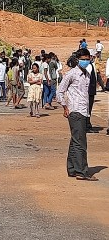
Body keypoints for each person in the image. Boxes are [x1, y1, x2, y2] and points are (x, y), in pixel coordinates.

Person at [57, 49, 97, 181]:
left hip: (83, 110)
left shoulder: (86, 74)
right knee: (80, 142)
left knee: (75, 141)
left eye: (88, 59)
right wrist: (64, 107)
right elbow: (60, 91)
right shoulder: (72, 74)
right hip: (75, 110)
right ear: (78, 59)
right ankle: (82, 171)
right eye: (84, 59)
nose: (86, 61)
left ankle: (72, 169)